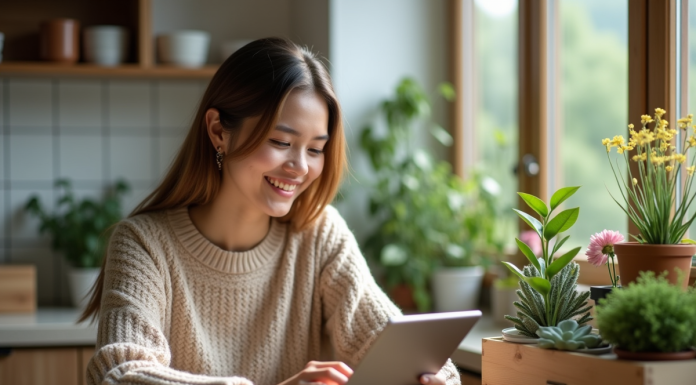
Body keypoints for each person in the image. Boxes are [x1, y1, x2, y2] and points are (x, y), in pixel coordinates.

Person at [79, 37, 460, 385]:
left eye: (314, 149)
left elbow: (392, 340)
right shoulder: (143, 244)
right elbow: (121, 375)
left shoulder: (319, 233)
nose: (299, 166)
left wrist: (436, 376)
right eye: (280, 141)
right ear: (218, 131)